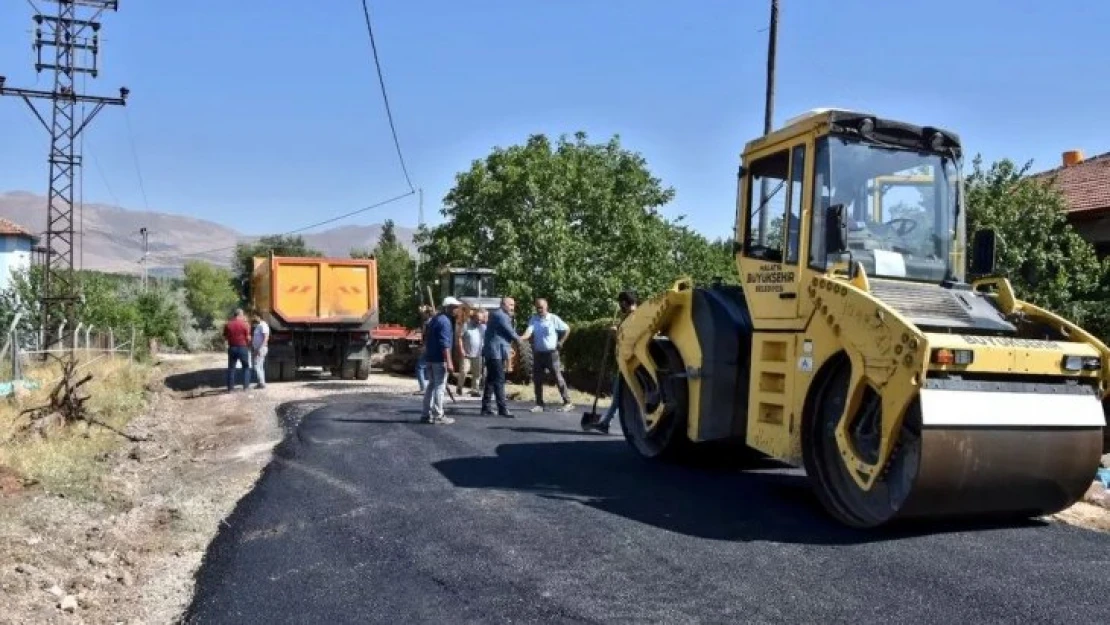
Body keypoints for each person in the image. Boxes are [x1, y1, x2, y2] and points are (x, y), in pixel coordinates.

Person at [584, 290, 638, 434]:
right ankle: (606, 423)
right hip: (628, 362)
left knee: (619, 396)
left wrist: (616, 334)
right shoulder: (634, 316)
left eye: (621, 303)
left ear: (624, 303)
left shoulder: (632, 318)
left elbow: (627, 342)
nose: (620, 306)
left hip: (629, 363)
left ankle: (608, 424)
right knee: (619, 396)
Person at [520, 297, 573, 413]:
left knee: (557, 377)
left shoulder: (553, 318)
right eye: (537, 307)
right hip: (539, 354)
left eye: (541, 307)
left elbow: (567, 329)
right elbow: (528, 332)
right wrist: (519, 338)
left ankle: (567, 402)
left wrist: (561, 342)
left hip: (551, 354)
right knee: (537, 379)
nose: (539, 310)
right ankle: (539, 404)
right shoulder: (534, 319)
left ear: (546, 307)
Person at [421, 297, 460, 425]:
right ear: (448, 308)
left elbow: (426, 337)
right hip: (439, 359)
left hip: (430, 357)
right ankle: (438, 415)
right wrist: (449, 361)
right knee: (439, 386)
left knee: (431, 385)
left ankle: (425, 414)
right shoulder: (445, 322)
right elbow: (445, 344)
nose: (457, 309)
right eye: (455, 307)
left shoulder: (435, 319)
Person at [481, 297, 522, 418]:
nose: (512, 307)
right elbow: (510, 332)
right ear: (503, 305)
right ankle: (502, 408)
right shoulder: (500, 316)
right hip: (495, 352)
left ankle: (486, 407)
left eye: (513, 305)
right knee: (499, 379)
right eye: (510, 305)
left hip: (494, 352)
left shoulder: (499, 315)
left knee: (491, 380)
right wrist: (521, 341)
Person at [456, 309, 485, 397]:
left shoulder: (482, 327)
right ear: (474, 318)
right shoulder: (466, 325)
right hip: (467, 354)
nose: (479, 321)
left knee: (477, 373)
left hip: (478, 354)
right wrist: (461, 350)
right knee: (464, 371)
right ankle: (459, 387)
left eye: (481, 319)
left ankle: (474, 390)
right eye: (478, 319)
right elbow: (460, 337)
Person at [222, 309, 251, 392]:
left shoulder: (228, 324)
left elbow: (225, 337)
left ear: (234, 315)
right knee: (245, 367)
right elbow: (248, 338)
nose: (243, 317)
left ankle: (230, 388)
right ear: (240, 315)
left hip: (232, 348)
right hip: (243, 347)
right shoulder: (245, 324)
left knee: (231, 368)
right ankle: (246, 387)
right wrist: (248, 343)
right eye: (242, 315)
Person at [413, 305, 434, 396]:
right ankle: (428, 387)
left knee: (420, 367)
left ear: (427, 314)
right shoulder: (432, 322)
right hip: (430, 347)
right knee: (427, 367)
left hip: (428, 347)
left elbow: (427, 336)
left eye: (423, 313)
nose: (422, 315)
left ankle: (423, 388)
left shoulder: (428, 323)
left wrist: (424, 346)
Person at [251, 312, 270, 389]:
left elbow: (266, 337)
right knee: (260, 366)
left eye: (255, 316)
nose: (254, 318)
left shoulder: (263, 325)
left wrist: (260, 348)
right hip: (258, 348)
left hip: (260, 348)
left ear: (259, 317)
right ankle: (261, 383)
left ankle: (261, 383)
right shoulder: (259, 325)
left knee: (256, 366)